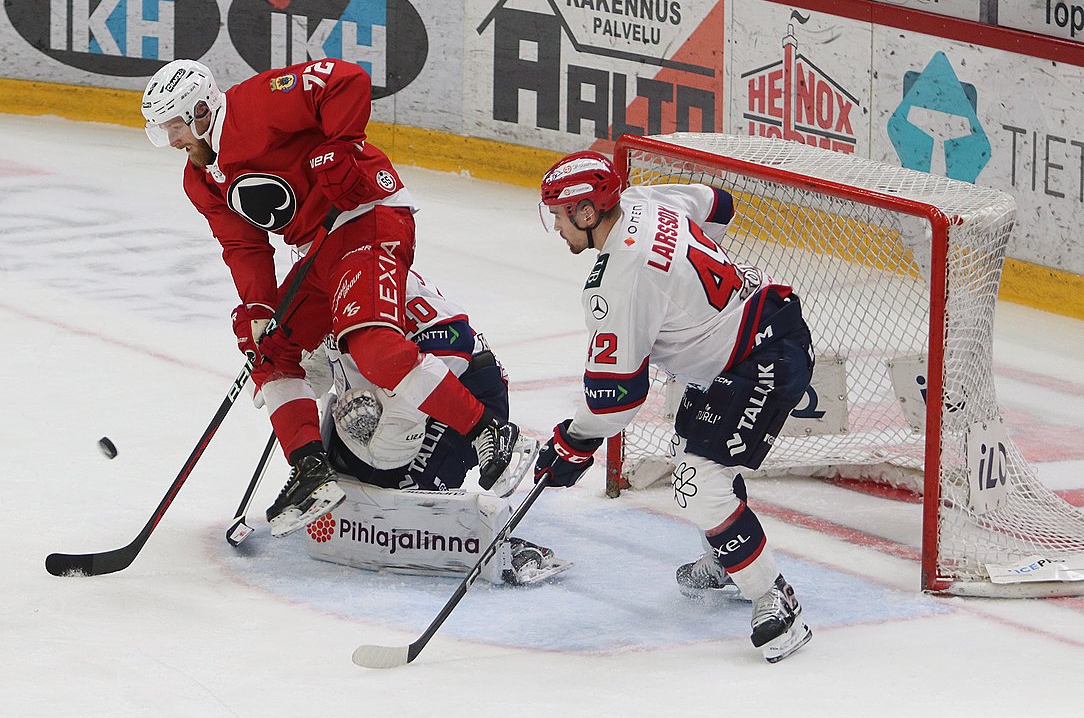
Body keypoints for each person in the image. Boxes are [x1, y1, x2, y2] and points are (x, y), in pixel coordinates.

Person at [140, 57, 519, 537]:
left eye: (175, 126)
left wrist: (341, 146)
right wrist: (258, 308)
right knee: (269, 350)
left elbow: (345, 79)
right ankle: (309, 469)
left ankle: (489, 431)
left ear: (199, 111)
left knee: (374, 347)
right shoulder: (199, 179)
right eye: (162, 130)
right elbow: (243, 245)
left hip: (368, 216)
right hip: (319, 251)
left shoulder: (253, 104)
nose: (172, 140)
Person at [532, 151, 816, 663]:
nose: (555, 226)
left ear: (587, 212)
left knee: (698, 484)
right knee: (695, 451)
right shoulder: (642, 200)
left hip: (762, 356)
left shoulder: (621, 280)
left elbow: (618, 399)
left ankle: (776, 597)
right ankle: (728, 560)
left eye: (558, 214)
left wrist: (571, 443)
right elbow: (719, 205)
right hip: (754, 327)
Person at [299, 269, 568, 585]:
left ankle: (495, 543)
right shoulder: (323, 283)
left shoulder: (380, 282)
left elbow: (457, 341)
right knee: (351, 488)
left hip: (465, 393)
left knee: (405, 503)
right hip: (390, 402)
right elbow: (318, 365)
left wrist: (390, 413)